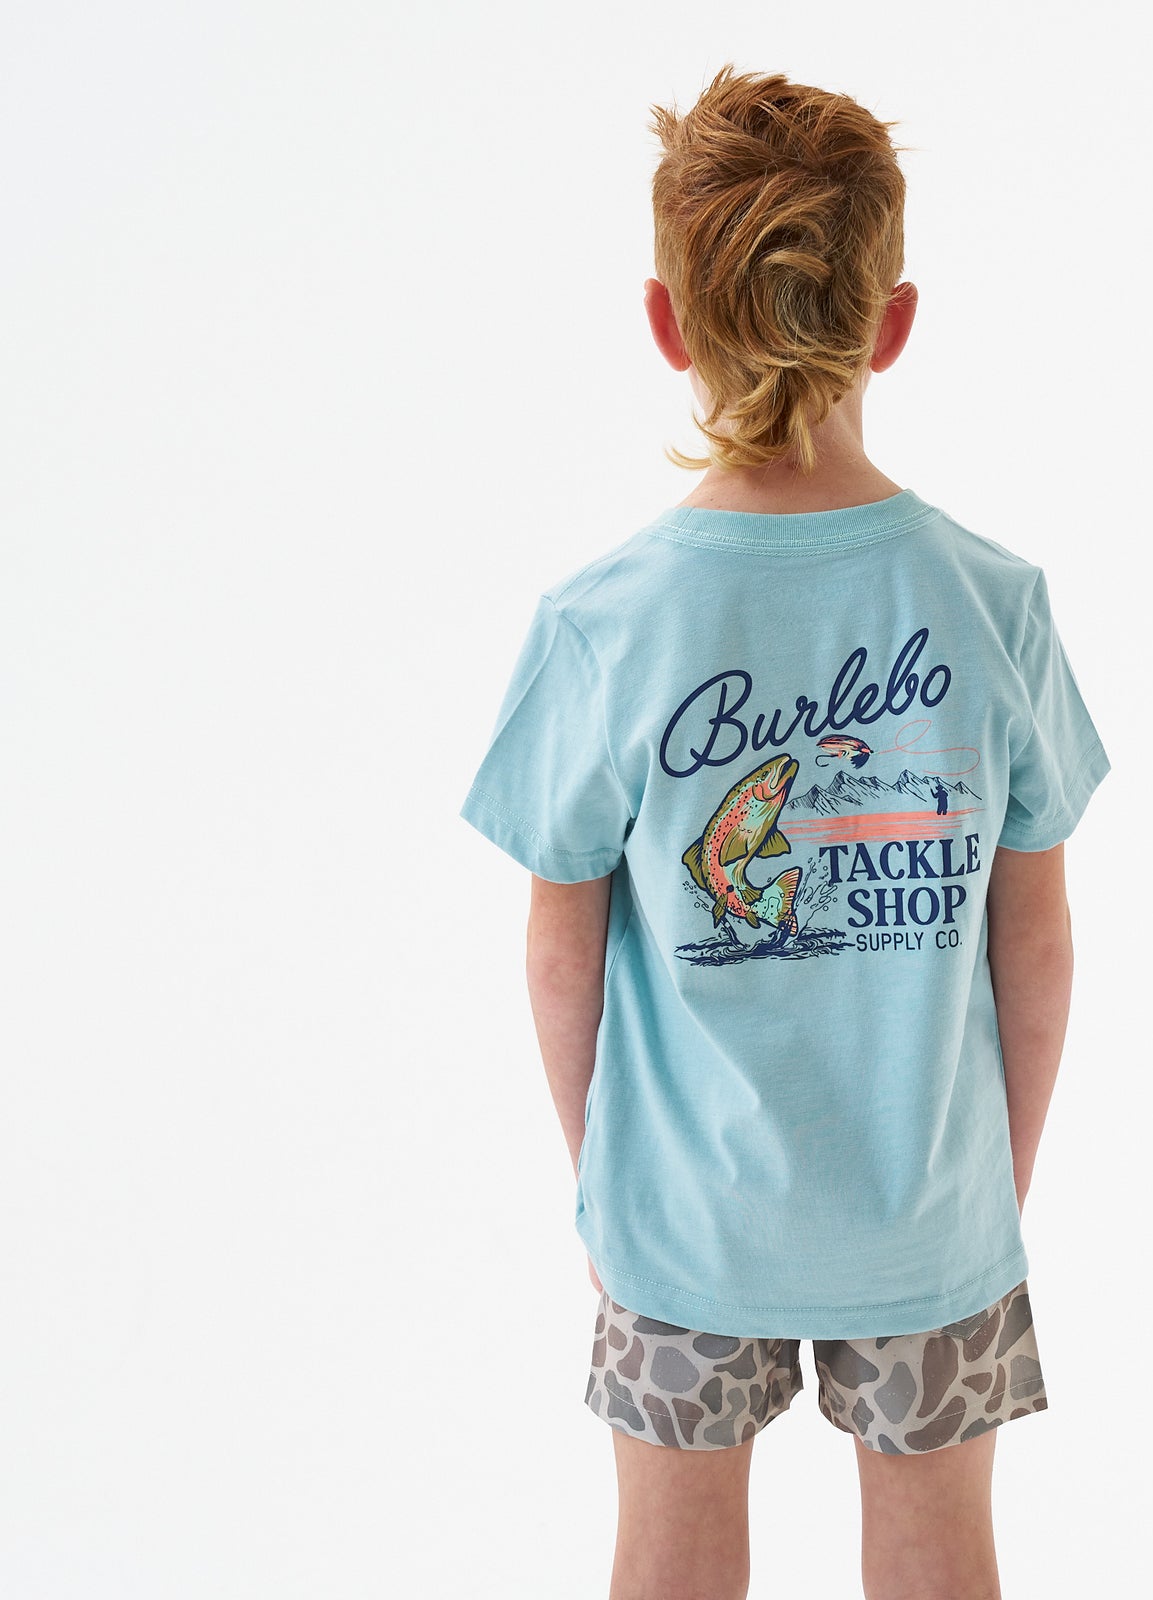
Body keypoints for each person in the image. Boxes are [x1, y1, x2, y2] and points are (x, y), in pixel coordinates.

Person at [460, 63, 1110, 1600]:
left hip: (682, 1224)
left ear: (667, 323)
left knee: (671, 1571)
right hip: (929, 1217)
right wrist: (984, 1190)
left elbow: (563, 947)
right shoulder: (990, 604)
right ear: (892, 320)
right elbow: (1039, 936)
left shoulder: (605, 623)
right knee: (944, 1569)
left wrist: (602, 1186)